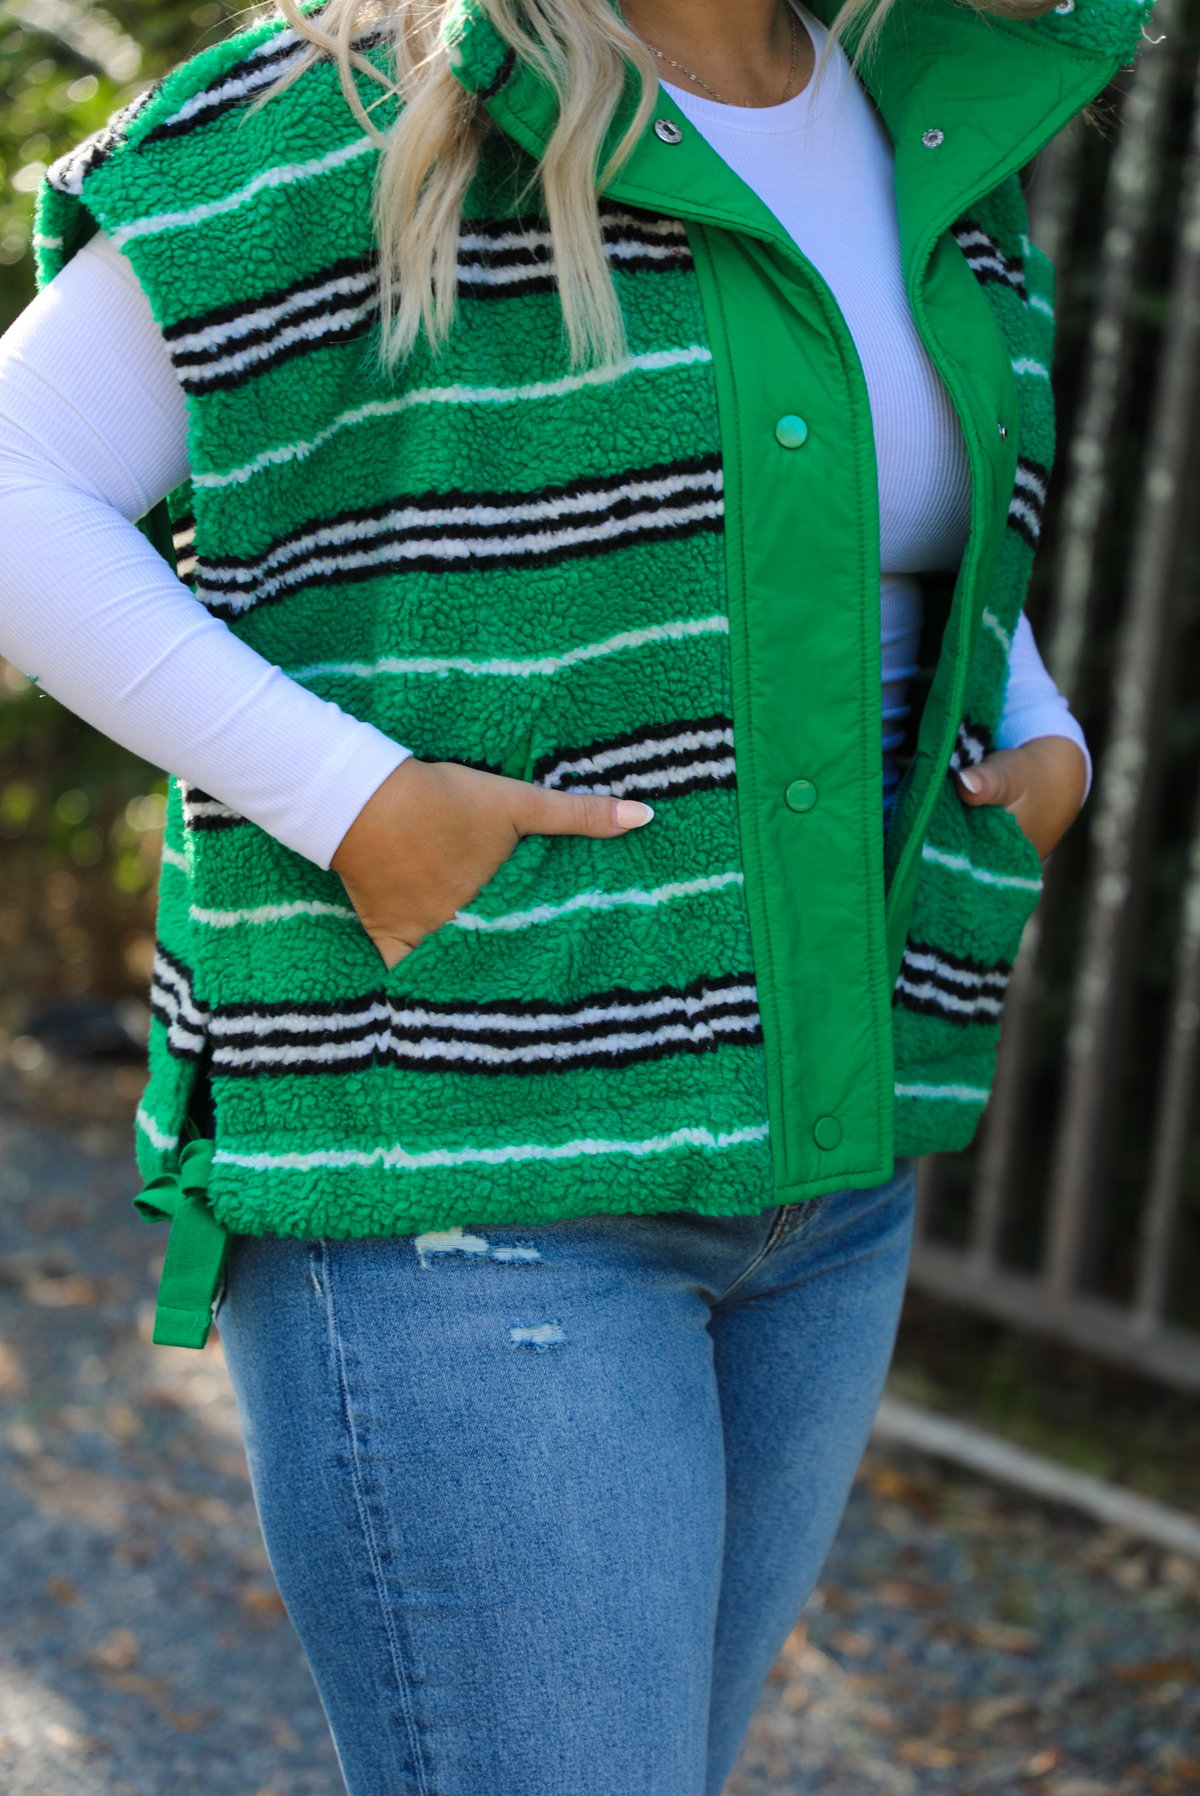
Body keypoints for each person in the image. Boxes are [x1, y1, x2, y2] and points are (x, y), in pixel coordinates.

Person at [0, 0, 1137, 1786]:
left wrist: (1038, 716)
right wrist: (357, 800)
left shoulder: (921, 129)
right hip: (469, 1180)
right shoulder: (353, 114)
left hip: (825, 1187)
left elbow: (865, 503)